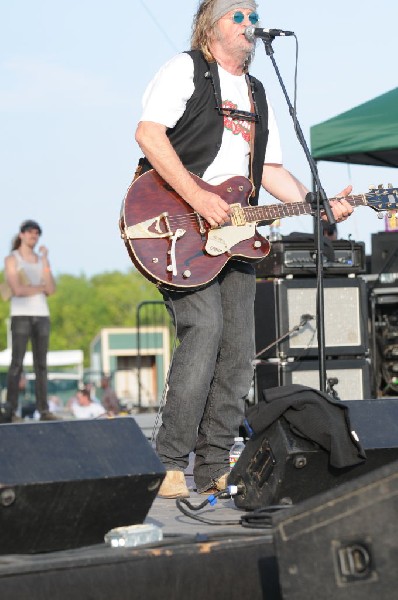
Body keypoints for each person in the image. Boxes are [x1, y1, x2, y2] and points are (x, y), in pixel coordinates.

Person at [134, 0, 354, 498]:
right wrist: (198, 197)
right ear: (210, 25)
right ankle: (169, 458)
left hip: (237, 233)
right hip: (177, 223)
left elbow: (269, 171)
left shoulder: (256, 93)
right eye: (238, 14)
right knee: (204, 328)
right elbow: (148, 134)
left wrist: (318, 206)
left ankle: (213, 462)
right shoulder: (185, 69)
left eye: (253, 14)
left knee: (238, 352)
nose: (250, 23)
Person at [4, 220, 57, 422]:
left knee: (41, 365)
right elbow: (17, 289)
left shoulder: (41, 260)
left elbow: (51, 289)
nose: (33, 236)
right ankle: (10, 410)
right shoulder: (12, 259)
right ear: (21, 235)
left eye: (37, 233)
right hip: (20, 316)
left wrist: (45, 259)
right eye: (30, 232)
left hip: (42, 315)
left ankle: (44, 410)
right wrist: (39, 287)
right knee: (17, 363)